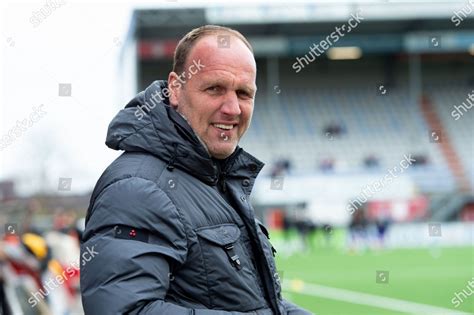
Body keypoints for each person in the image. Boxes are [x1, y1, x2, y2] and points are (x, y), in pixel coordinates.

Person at [80, 25, 312, 314]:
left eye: (244, 93)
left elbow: (255, 304)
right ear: (176, 88)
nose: (233, 109)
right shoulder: (137, 187)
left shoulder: (212, 179)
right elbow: (126, 310)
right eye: (215, 88)